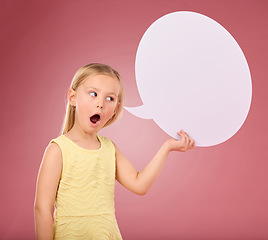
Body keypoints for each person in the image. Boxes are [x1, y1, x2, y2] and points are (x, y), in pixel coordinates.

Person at [34, 63, 195, 240]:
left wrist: (167, 148)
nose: (100, 104)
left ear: (116, 108)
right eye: (93, 94)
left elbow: (139, 185)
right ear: (73, 97)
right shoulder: (58, 149)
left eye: (109, 98)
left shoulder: (109, 149)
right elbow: (42, 208)